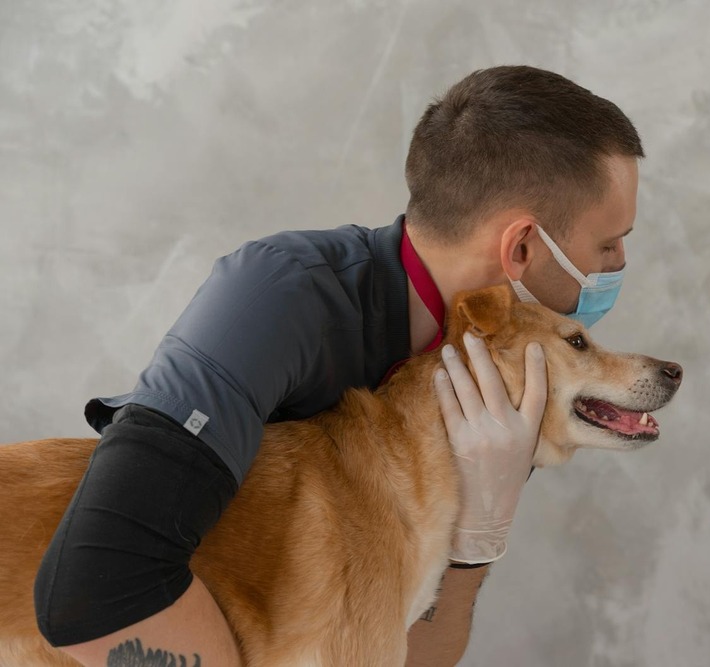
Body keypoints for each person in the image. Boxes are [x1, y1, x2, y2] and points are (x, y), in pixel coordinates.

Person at [34, 65, 644, 667]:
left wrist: (474, 545)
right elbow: (94, 591)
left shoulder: (492, 378)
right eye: (609, 244)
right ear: (522, 246)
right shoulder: (277, 294)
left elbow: (404, 656)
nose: (617, 265)